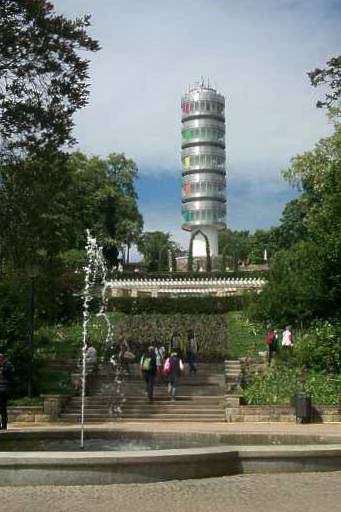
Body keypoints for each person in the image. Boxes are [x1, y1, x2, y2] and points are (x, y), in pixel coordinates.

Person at [0, 353, 14, 430]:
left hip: (3, 390)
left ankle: (4, 425)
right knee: (2, 408)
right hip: (3, 388)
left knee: (2, 408)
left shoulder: (8, 365)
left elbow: (8, 372)